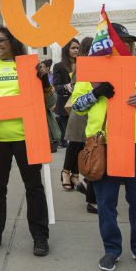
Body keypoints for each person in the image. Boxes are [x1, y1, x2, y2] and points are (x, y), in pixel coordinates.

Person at [72, 23, 136, 271]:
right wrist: (96, 93)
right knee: (106, 200)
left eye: (126, 42)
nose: (121, 46)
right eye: (116, 42)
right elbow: (77, 106)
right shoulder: (90, 71)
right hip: (104, 145)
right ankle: (111, 249)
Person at [0, 26, 50, 258]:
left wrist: (44, 81)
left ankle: (40, 236)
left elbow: (48, 98)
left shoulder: (27, 66)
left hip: (26, 136)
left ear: (12, 41)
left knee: (34, 187)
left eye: (0, 40)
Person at [61, 37, 99, 213]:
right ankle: (67, 174)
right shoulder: (81, 65)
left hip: (90, 113)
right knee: (75, 145)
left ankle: (80, 179)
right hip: (80, 112)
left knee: (86, 149)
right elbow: (76, 87)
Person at [53, 38, 80, 187]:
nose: (76, 50)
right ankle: (66, 172)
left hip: (81, 107)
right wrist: (66, 86)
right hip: (66, 108)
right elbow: (56, 86)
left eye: (78, 48)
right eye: (73, 48)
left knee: (80, 143)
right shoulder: (59, 66)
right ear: (66, 50)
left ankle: (74, 174)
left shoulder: (83, 64)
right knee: (73, 142)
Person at [36, 59, 61, 153]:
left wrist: (45, 82)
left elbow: (50, 103)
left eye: (43, 67)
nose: (42, 69)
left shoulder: (46, 81)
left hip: (49, 137)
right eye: (40, 67)